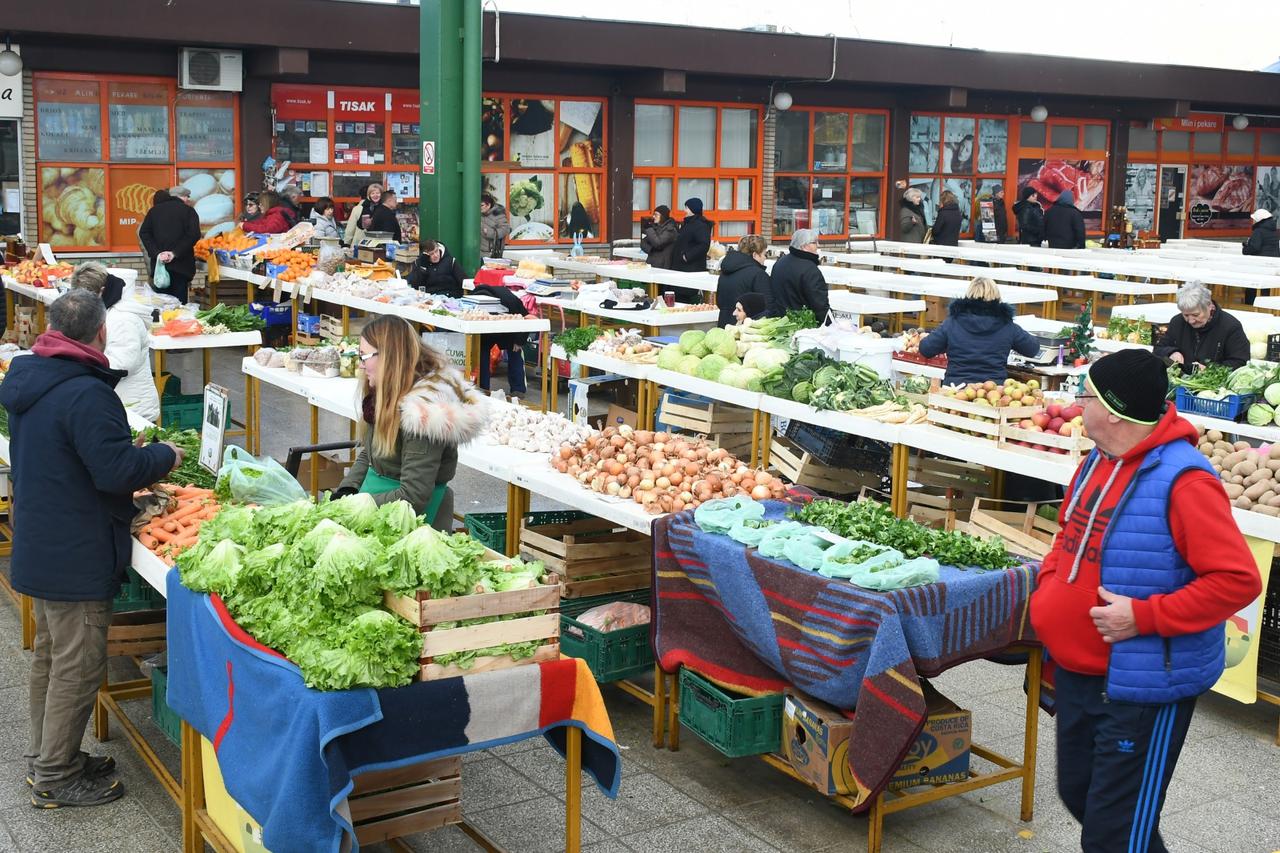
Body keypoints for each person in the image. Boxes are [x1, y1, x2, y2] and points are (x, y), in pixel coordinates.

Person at [1030, 348, 1260, 853]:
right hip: (1079, 674)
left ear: (1111, 410)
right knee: (1082, 797)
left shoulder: (1185, 480)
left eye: (1083, 394)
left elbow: (1237, 580)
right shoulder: (1096, 459)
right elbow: (1068, 533)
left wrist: (1144, 616)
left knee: (1115, 832)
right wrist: (1051, 585)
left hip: (1140, 688)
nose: (1075, 403)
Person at [0, 290, 181, 808]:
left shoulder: (32, 377)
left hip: (44, 535)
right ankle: (56, 776)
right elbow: (115, 472)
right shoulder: (85, 391)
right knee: (77, 665)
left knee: (53, 658)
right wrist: (163, 456)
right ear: (101, 331)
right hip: (75, 545)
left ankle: (49, 758)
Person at [333, 315, 486, 530]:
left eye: (364, 356)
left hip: (415, 521)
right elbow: (372, 452)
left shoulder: (422, 414)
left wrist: (359, 505)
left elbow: (414, 495)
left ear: (388, 357)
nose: (361, 365)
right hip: (382, 505)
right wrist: (348, 489)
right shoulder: (385, 396)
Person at [68, 263, 160, 422]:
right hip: (114, 404)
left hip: (132, 408)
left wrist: (81, 365)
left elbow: (121, 366)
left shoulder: (123, 320)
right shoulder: (103, 314)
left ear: (101, 292)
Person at [917, 277, 1040, 384]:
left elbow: (926, 349)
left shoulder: (952, 323)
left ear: (969, 294)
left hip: (956, 389)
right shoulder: (1007, 325)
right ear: (997, 296)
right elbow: (1033, 349)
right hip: (992, 392)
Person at [1153, 280, 1250, 374]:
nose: (1191, 321)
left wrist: (1210, 371)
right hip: (1181, 379)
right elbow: (1158, 349)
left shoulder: (1230, 326)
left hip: (1214, 385)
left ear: (1209, 306)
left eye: (1196, 315)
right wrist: (1172, 353)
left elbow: (1240, 362)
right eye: (1186, 315)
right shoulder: (1177, 322)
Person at [138, 186, 201, 305]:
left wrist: (157, 253)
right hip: (182, 267)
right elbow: (194, 234)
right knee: (179, 305)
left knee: (161, 304)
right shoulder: (188, 211)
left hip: (160, 268)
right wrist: (174, 253)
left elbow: (144, 233)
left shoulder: (154, 211)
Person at [474, 285, 530, 396]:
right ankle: (483, 389)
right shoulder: (471, 301)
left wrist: (520, 340)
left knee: (515, 350)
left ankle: (518, 389)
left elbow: (526, 318)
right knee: (482, 353)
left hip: (508, 328)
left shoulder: (510, 301)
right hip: (483, 330)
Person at [767, 228, 828, 321]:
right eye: (814, 242)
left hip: (780, 321)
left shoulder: (780, 262)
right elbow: (819, 304)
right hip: (802, 324)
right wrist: (830, 324)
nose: (818, 245)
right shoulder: (810, 269)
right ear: (804, 246)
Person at [716, 234, 771, 327]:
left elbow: (719, 301)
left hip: (724, 324)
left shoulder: (726, 270)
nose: (765, 258)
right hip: (745, 329)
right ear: (755, 255)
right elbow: (768, 306)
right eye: (764, 254)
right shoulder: (758, 274)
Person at [671, 198, 712, 272]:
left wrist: (687, 256)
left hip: (691, 268)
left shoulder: (701, 225)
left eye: (687, 208)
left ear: (693, 209)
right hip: (681, 266)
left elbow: (703, 245)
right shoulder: (688, 223)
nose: (684, 210)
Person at [479, 193, 511, 258]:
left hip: (491, 252)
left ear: (488, 205)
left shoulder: (498, 214)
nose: (480, 208)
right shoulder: (478, 214)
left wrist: (490, 232)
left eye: (482, 205)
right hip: (478, 251)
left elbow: (506, 229)